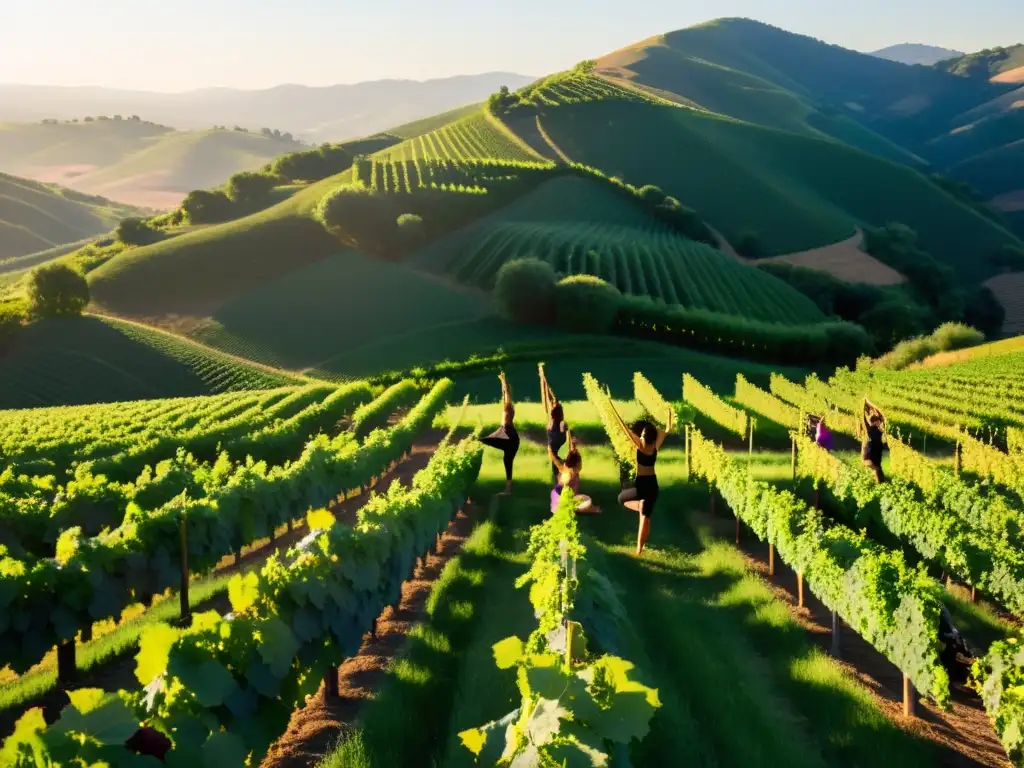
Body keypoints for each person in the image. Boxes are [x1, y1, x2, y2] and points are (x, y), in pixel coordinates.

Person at [607, 396, 673, 556]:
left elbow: (624, 430)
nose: (641, 435)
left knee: (623, 500)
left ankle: (639, 550)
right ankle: (642, 512)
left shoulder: (640, 445)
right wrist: (671, 413)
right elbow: (669, 429)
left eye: (643, 434)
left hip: (644, 484)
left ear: (645, 438)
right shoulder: (654, 446)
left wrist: (613, 411)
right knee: (644, 515)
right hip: (651, 485)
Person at [480, 371, 518, 495]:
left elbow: (507, 393)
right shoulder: (506, 407)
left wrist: (503, 381)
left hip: (509, 436)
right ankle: (508, 488)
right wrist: (502, 384)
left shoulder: (509, 407)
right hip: (505, 432)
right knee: (506, 460)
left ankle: (508, 489)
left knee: (507, 461)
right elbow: (504, 393)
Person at [549, 432, 600, 515]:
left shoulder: (568, 468)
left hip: (564, 497)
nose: (581, 464)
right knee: (586, 504)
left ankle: (587, 509)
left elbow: (556, 461)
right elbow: (562, 492)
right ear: (576, 464)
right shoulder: (569, 475)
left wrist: (572, 442)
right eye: (581, 462)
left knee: (587, 500)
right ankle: (589, 510)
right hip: (561, 500)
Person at [539, 363, 568, 482]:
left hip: (553, 446)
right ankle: (559, 478)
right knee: (556, 462)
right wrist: (543, 378)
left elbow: (552, 400)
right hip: (554, 445)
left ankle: (559, 478)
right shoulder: (558, 422)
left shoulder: (553, 422)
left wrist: (543, 378)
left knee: (556, 462)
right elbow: (552, 399)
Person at [862, 398, 886, 483]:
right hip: (870, 458)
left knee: (877, 470)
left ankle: (880, 482)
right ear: (875, 422)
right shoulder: (873, 430)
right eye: (878, 421)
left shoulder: (872, 430)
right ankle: (880, 482)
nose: (880, 423)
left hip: (869, 458)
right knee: (877, 470)